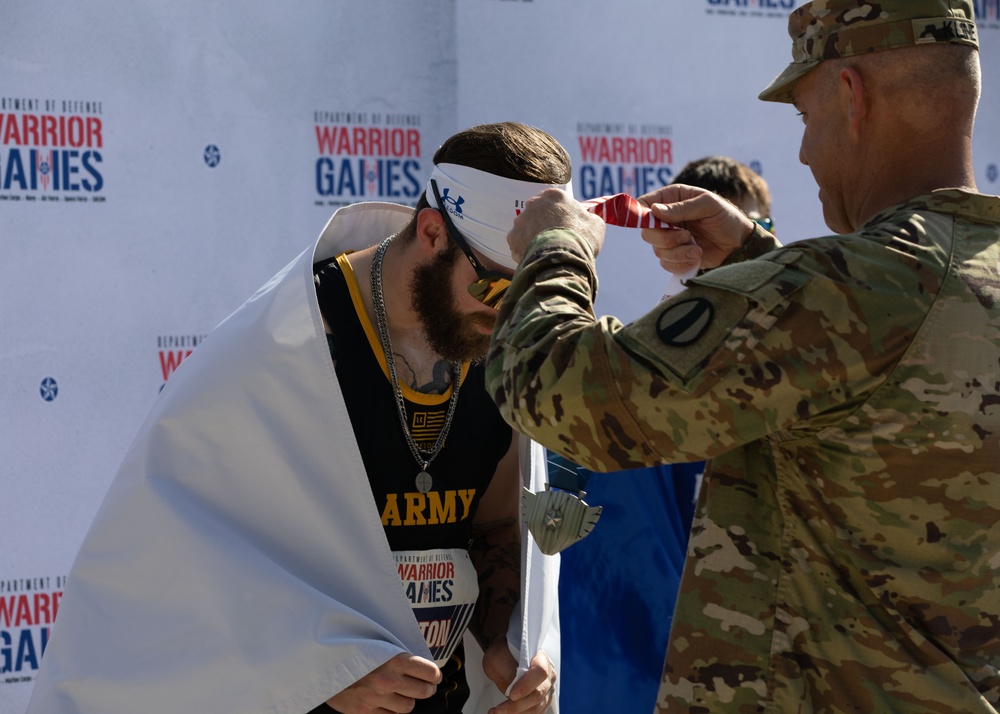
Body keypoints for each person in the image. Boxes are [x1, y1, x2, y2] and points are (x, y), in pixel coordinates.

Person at [485, 1, 1000, 712]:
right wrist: (760, 264)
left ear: (851, 95)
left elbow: (562, 392)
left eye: (804, 118)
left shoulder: (845, 292)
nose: (802, 153)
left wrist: (554, 248)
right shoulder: (945, 278)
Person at [26, 122, 570, 714]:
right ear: (433, 232)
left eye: (535, 296)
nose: (513, 315)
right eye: (497, 288)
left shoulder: (497, 354)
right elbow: (172, 576)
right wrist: (319, 666)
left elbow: (497, 528)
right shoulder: (283, 348)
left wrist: (512, 643)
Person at [555, 157, 774, 714]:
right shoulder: (639, 383)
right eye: (708, 233)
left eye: (754, 232)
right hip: (643, 674)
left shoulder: (803, 378)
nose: (727, 256)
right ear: (677, 241)